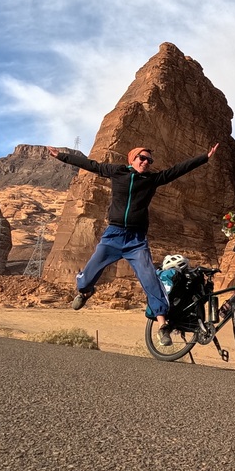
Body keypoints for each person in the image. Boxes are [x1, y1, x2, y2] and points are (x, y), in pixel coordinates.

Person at [47, 143, 219, 344]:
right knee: (86, 279)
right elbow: (91, 164)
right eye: (142, 158)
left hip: (136, 240)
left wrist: (204, 157)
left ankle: (163, 325)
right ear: (132, 159)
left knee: (150, 279)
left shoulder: (151, 180)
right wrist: (62, 156)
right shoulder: (117, 172)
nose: (146, 162)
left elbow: (177, 171)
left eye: (149, 160)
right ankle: (86, 292)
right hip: (113, 235)